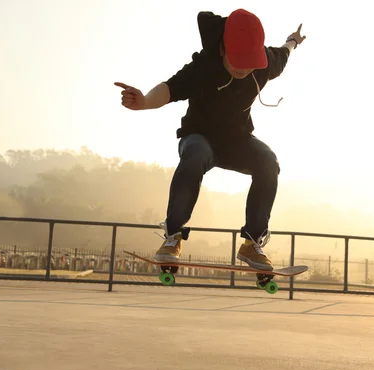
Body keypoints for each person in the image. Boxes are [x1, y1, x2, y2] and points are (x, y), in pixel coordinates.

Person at [115, 9, 306, 271]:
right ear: (222, 50)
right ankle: (172, 237)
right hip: (198, 137)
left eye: (249, 62)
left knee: (268, 162)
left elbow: (285, 52)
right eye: (237, 61)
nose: (242, 69)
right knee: (195, 155)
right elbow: (170, 89)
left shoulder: (265, 63)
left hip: (237, 142)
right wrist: (145, 102)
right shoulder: (203, 67)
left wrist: (293, 40)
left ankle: (252, 242)